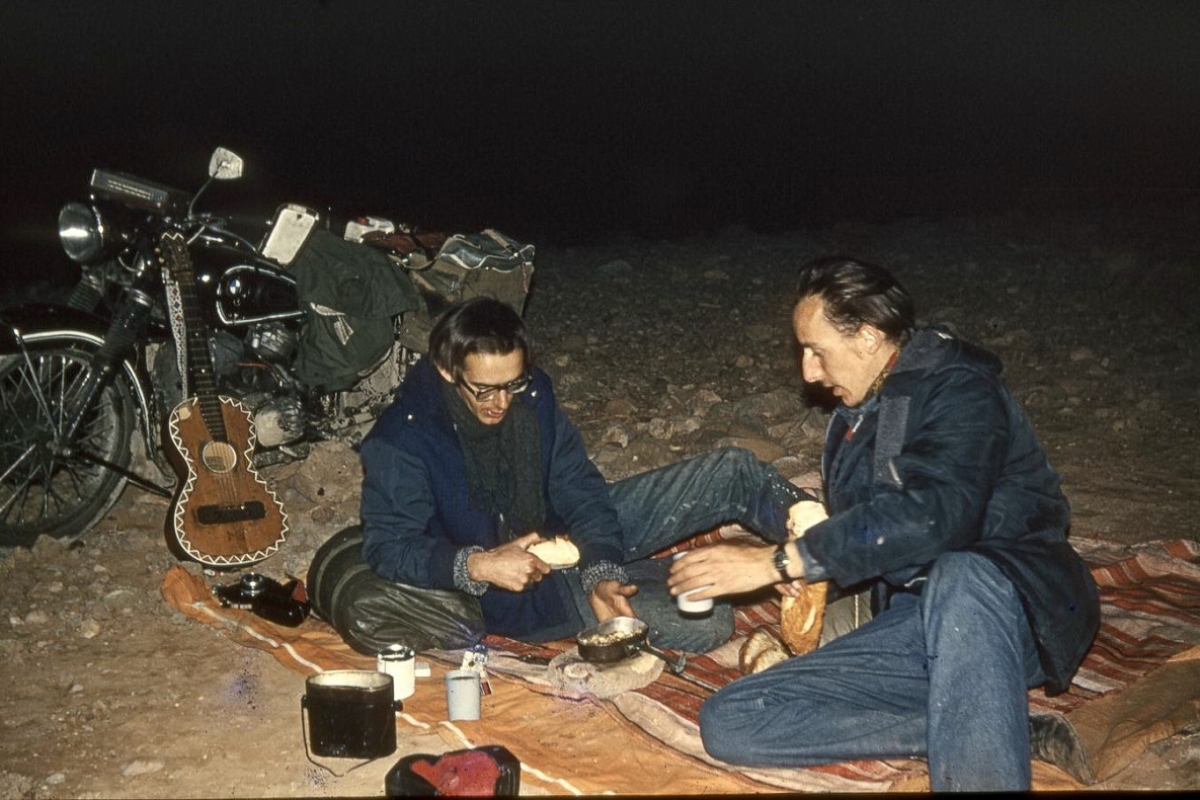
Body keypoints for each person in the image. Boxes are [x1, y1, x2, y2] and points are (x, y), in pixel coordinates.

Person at [674, 257, 1099, 792]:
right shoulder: (857, 415)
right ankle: (994, 726)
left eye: (816, 350)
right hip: (919, 623)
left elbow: (935, 516)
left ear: (869, 339)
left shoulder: (961, 390)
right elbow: (870, 531)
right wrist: (808, 561)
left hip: (1008, 610)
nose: (807, 370)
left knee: (961, 574)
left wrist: (777, 561)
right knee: (733, 718)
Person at [356, 295, 805, 654]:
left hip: (566, 538)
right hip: (522, 594)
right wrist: (480, 564)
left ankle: (819, 556)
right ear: (446, 371)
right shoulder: (403, 440)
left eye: (511, 384)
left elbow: (579, 488)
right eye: (484, 390)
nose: (501, 403)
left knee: (731, 469)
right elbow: (388, 547)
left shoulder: (532, 395)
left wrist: (602, 569)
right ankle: (679, 570)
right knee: (708, 622)